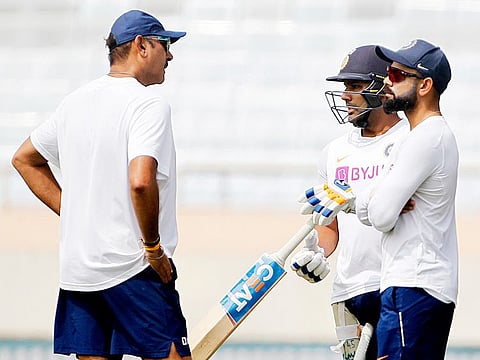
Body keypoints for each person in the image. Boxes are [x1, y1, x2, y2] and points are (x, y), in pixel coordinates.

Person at [11, 9, 191, 360]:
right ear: (141, 45)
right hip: (133, 267)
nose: (170, 55)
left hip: (80, 270)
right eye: (165, 44)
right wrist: (153, 248)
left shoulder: (73, 103)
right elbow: (140, 181)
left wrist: (77, 213)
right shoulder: (147, 103)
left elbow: (24, 159)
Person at [290, 45, 409, 360]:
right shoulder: (334, 151)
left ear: (383, 89)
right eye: (344, 87)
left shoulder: (410, 140)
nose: (345, 95)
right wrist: (315, 250)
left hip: (396, 285)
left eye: (355, 86)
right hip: (347, 292)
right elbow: (330, 228)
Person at [355, 39, 458, 359]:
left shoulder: (426, 138)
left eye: (399, 75)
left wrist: (374, 199)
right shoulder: (425, 137)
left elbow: (383, 216)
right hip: (419, 284)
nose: (387, 81)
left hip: (412, 283)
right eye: (389, 72)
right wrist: (374, 196)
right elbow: (378, 208)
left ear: (425, 85)